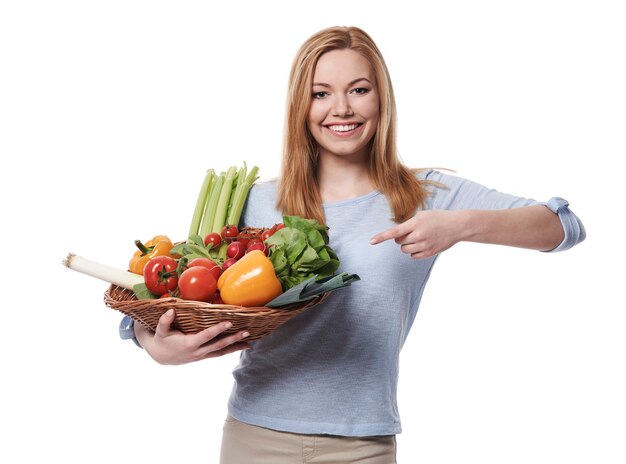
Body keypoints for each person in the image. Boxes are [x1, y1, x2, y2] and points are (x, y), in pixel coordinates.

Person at [120, 26, 585, 463]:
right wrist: (148, 341)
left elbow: (562, 226)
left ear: (382, 99)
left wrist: (458, 225)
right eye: (321, 94)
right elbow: (169, 290)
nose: (340, 108)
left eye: (358, 90)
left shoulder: (428, 196)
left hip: (364, 444)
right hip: (254, 436)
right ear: (301, 106)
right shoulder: (259, 202)